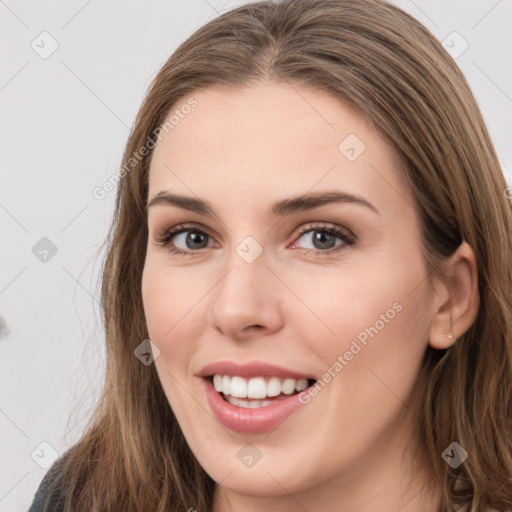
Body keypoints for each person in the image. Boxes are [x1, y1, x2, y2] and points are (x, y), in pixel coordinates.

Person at [28, 0, 512, 511]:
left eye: (321, 238)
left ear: (451, 297)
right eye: (192, 237)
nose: (236, 309)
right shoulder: (80, 500)